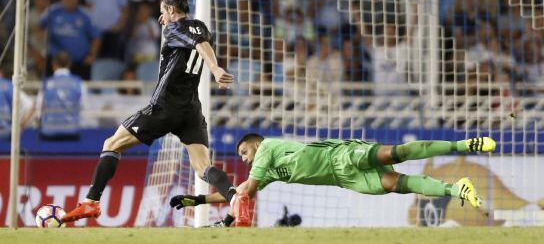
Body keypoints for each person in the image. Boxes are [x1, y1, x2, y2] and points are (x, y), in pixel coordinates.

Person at [61, 0, 236, 223]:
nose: (161, 18)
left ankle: (91, 203)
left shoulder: (174, 29)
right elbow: (199, 40)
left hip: (164, 106)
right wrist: (209, 61)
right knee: (203, 166)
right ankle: (236, 198)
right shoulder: (201, 27)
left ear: (171, 10)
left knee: (112, 143)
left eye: (163, 12)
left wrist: (215, 69)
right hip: (191, 110)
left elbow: (196, 43)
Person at [170, 134, 496, 226]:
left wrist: (225, 220)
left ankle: (464, 145)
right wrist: (198, 200)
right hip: (344, 179)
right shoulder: (264, 173)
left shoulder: (266, 149)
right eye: (241, 156)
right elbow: (241, 195)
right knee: (401, 184)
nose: (244, 158)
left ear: (255, 144)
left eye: (244, 151)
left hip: (341, 156)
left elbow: (242, 191)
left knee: (399, 152)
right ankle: (456, 188)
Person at [37, 51, 85, 140]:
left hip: (48, 133)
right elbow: (83, 107)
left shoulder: (46, 83)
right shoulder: (79, 83)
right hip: (72, 132)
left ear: (53, 64)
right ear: (70, 64)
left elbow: (39, 108)